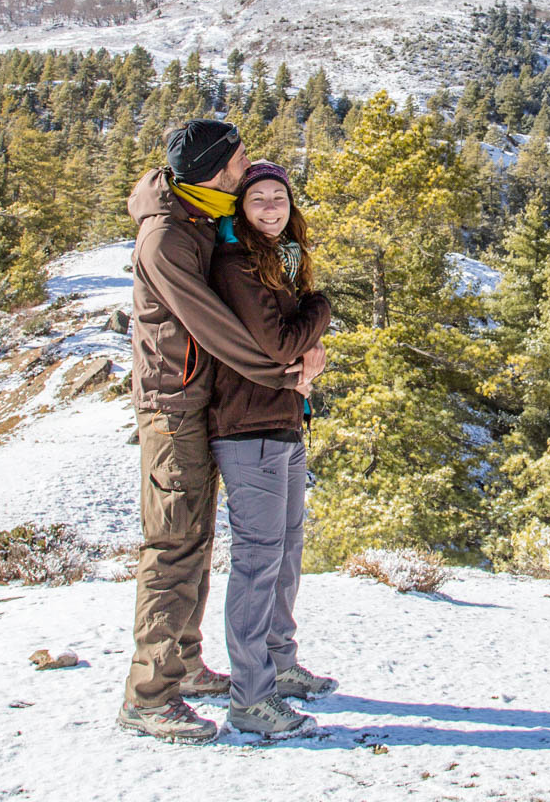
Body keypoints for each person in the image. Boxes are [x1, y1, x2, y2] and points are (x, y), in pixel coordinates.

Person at [118, 120, 313, 744]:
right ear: (213, 170)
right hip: (172, 407)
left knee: (196, 541)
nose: (248, 165)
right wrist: (282, 372)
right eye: (238, 160)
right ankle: (149, 696)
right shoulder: (168, 238)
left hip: (199, 402)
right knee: (173, 545)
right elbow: (216, 327)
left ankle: (187, 663)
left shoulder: (201, 217)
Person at [205, 160, 338, 739]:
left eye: (278, 197)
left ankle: (280, 666)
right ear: (240, 206)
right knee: (258, 562)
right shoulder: (237, 264)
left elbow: (292, 347)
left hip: (282, 418)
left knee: (286, 552)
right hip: (247, 424)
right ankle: (250, 697)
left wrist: (305, 357)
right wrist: (321, 311)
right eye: (256, 197)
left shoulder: (279, 263)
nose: (269, 207)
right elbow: (278, 341)